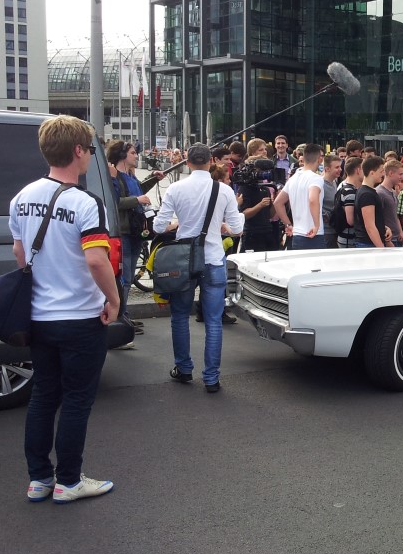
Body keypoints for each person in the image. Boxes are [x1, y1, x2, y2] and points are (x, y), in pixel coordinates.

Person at [12, 116, 120, 503]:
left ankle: (39, 478)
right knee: (76, 399)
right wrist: (114, 300)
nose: (90, 156)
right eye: (89, 149)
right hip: (80, 317)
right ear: (77, 151)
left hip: (39, 316)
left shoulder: (22, 197)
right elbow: (96, 260)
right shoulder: (85, 203)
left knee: (43, 396)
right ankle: (69, 481)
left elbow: (20, 253)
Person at [153, 143, 244, 392]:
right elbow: (237, 229)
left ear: (187, 161)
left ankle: (184, 368)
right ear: (211, 160)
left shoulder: (175, 188)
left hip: (184, 259)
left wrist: (177, 225)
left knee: (180, 316)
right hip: (213, 258)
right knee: (214, 321)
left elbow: (158, 227)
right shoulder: (224, 190)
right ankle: (211, 378)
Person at [106, 140, 163, 329]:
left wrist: (154, 179)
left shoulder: (130, 175)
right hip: (124, 231)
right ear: (122, 155)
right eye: (132, 153)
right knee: (124, 277)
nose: (136, 156)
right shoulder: (115, 176)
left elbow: (138, 191)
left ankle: (124, 315)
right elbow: (115, 201)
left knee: (129, 277)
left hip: (135, 231)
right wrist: (137, 200)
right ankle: (120, 318)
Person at [273, 144, 325, 250]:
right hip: (314, 235)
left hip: (297, 235)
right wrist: (316, 225)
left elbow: (277, 203)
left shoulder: (293, 178)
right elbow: (313, 199)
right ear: (320, 159)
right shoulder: (316, 178)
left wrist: (288, 224)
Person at [235, 138, 277, 251]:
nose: (264, 152)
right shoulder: (245, 186)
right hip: (252, 234)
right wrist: (260, 205)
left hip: (267, 231)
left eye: (265, 149)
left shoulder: (265, 188)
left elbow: (270, 215)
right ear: (252, 153)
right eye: (260, 150)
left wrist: (276, 200)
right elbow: (243, 214)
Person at [354, 156, 390, 247]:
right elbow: (369, 226)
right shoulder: (367, 194)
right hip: (368, 244)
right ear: (372, 173)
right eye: (381, 171)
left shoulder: (366, 191)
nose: (383, 174)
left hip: (370, 243)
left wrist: (384, 228)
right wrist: (381, 248)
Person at [333, 156, 363, 248]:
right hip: (349, 240)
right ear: (358, 171)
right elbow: (351, 220)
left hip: (346, 238)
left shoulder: (345, 188)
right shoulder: (350, 191)